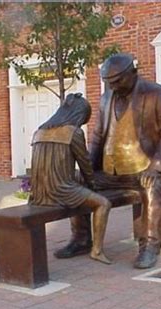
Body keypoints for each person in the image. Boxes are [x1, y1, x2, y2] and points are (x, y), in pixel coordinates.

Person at [54, 53, 161, 269]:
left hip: (145, 168)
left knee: (153, 186)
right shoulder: (106, 98)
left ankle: (150, 245)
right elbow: (97, 137)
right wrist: (87, 170)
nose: (113, 87)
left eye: (117, 81)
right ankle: (82, 238)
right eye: (108, 83)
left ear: (133, 73)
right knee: (75, 182)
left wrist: (156, 168)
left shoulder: (156, 94)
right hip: (111, 172)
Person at [29, 93, 112, 264]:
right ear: (78, 115)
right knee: (103, 203)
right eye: (83, 120)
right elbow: (86, 165)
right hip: (59, 191)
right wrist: (93, 185)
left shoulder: (39, 131)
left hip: (39, 193)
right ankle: (97, 251)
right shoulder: (73, 133)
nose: (81, 123)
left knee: (78, 183)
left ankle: (81, 239)